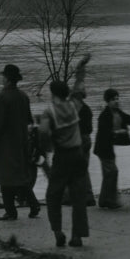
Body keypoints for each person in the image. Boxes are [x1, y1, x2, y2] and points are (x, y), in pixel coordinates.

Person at [37, 54, 90, 247]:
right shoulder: (74, 105)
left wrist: (46, 147)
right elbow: (79, 86)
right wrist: (80, 67)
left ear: (53, 93)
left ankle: (58, 231)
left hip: (62, 156)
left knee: (53, 195)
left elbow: (43, 132)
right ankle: (77, 236)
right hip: (78, 155)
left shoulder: (49, 112)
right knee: (78, 197)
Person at [0, 64, 41, 220]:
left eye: (3, 77)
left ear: (8, 79)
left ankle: (10, 211)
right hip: (21, 143)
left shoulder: (2, 97)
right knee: (19, 177)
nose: (2, 79)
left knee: (5, 179)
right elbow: (29, 120)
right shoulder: (23, 96)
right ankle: (33, 204)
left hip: (5, 145)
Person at [94, 88, 130, 209]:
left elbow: (127, 118)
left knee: (110, 173)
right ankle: (107, 200)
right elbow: (106, 133)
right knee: (112, 172)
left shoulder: (116, 111)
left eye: (117, 98)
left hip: (108, 148)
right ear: (107, 101)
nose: (116, 101)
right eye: (113, 99)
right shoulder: (104, 115)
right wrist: (119, 132)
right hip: (103, 148)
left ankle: (106, 199)